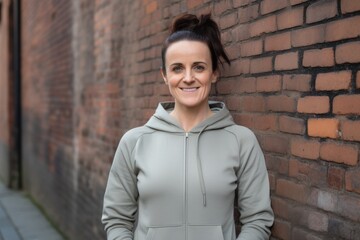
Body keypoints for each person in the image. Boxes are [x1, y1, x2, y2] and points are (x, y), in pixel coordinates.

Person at [102, 13, 274, 240]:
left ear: (214, 73)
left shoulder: (241, 141)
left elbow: (258, 220)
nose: (188, 77)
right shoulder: (134, 142)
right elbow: (116, 219)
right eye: (177, 68)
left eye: (199, 67)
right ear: (165, 76)